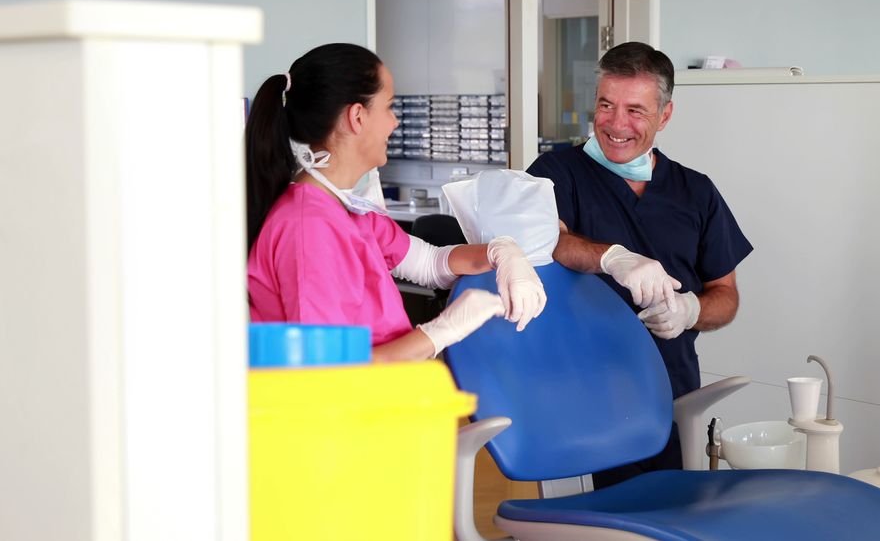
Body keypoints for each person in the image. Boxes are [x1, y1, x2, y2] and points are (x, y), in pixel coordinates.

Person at [526, 42, 752, 487]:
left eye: (635, 110)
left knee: (670, 513)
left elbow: (725, 295)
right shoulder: (556, 172)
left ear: (664, 116)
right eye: (606, 105)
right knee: (596, 524)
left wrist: (691, 311)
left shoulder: (695, 191)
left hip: (671, 391)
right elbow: (548, 240)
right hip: (580, 390)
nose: (615, 123)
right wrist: (611, 257)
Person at [246, 43, 546, 362]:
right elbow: (329, 371)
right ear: (357, 117)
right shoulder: (308, 227)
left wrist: (502, 251)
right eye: (389, 107)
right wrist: (440, 331)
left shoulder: (349, 211)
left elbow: (431, 264)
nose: (395, 123)